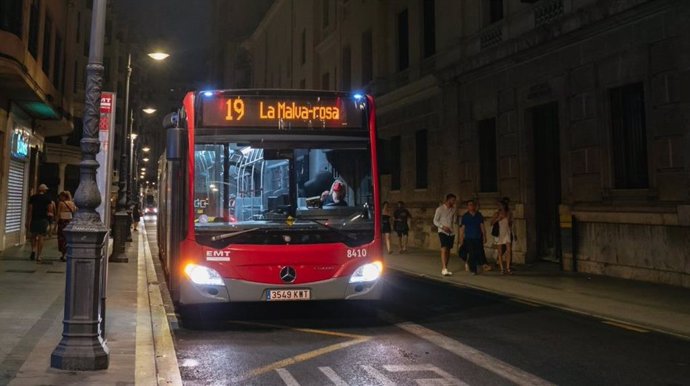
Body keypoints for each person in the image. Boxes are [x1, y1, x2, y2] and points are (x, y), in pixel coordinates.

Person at [458, 199, 487, 275]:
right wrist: (461, 239)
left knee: (478, 252)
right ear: (467, 207)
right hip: (469, 238)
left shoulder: (479, 215)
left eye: (472, 205)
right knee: (471, 253)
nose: (471, 206)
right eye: (469, 205)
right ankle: (473, 269)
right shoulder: (465, 216)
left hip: (478, 237)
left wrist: (484, 236)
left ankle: (479, 265)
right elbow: (462, 228)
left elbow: (482, 226)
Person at [27, 184, 54, 262]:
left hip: (34, 219)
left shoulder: (33, 198)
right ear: (44, 190)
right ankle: (39, 256)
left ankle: (33, 250)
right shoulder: (47, 198)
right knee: (41, 237)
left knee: (33, 236)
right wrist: (50, 221)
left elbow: (30, 210)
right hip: (43, 220)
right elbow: (50, 211)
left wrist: (28, 221)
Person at [433, 193, 457, 276]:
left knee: (448, 250)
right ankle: (443, 268)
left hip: (451, 232)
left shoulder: (453, 209)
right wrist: (442, 227)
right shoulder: (440, 209)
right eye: (453, 200)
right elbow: (435, 221)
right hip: (442, 231)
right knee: (444, 248)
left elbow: (453, 219)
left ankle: (446, 268)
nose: (454, 202)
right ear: (448, 200)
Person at [491, 197, 513, 274]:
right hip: (500, 233)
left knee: (508, 251)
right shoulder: (497, 213)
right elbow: (491, 223)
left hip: (507, 232)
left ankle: (508, 268)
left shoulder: (509, 213)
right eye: (499, 206)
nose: (500, 207)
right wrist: (498, 219)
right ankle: (501, 268)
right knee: (500, 251)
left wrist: (513, 232)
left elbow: (510, 223)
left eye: (502, 205)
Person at [56, 191, 77, 262]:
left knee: (62, 238)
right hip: (69, 222)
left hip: (62, 222)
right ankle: (68, 253)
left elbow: (59, 214)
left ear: (64, 196)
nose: (60, 198)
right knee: (68, 238)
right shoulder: (72, 203)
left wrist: (56, 223)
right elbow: (74, 212)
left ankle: (63, 255)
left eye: (61, 196)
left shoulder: (61, 203)